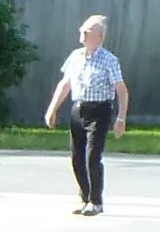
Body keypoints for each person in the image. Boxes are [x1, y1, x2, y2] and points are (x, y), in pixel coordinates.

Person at [46, 16, 130, 214]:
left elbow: (121, 90)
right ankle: (84, 197)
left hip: (100, 111)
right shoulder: (75, 56)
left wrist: (121, 118)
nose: (82, 34)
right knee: (77, 157)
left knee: (92, 156)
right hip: (79, 108)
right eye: (82, 30)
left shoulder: (109, 60)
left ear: (99, 37)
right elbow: (65, 84)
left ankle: (96, 201)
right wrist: (53, 108)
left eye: (87, 31)